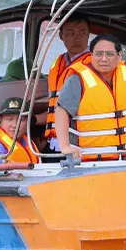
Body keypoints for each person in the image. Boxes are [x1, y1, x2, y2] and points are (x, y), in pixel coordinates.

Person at [54, 34, 126, 161]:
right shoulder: (77, 78)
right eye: (98, 54)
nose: (104, 59)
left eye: (109, 54)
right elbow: (61, 111)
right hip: (89, 160)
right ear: (91, 55)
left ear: (119, 56)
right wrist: (65, 146)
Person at [44, 15, 92, 151]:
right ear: (61, 36)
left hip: (80, 145)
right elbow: (53, 103)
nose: (77, 38)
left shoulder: (96, 64)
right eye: (70, 33)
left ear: (88, 35)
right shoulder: (57, 65)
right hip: (54, 143)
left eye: (82, 33)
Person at [0, 97, 39, 165]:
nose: (15, 125)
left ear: (28, 122)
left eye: (21, 120)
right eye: (9, 119)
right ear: (1, 120)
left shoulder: (29, 143)